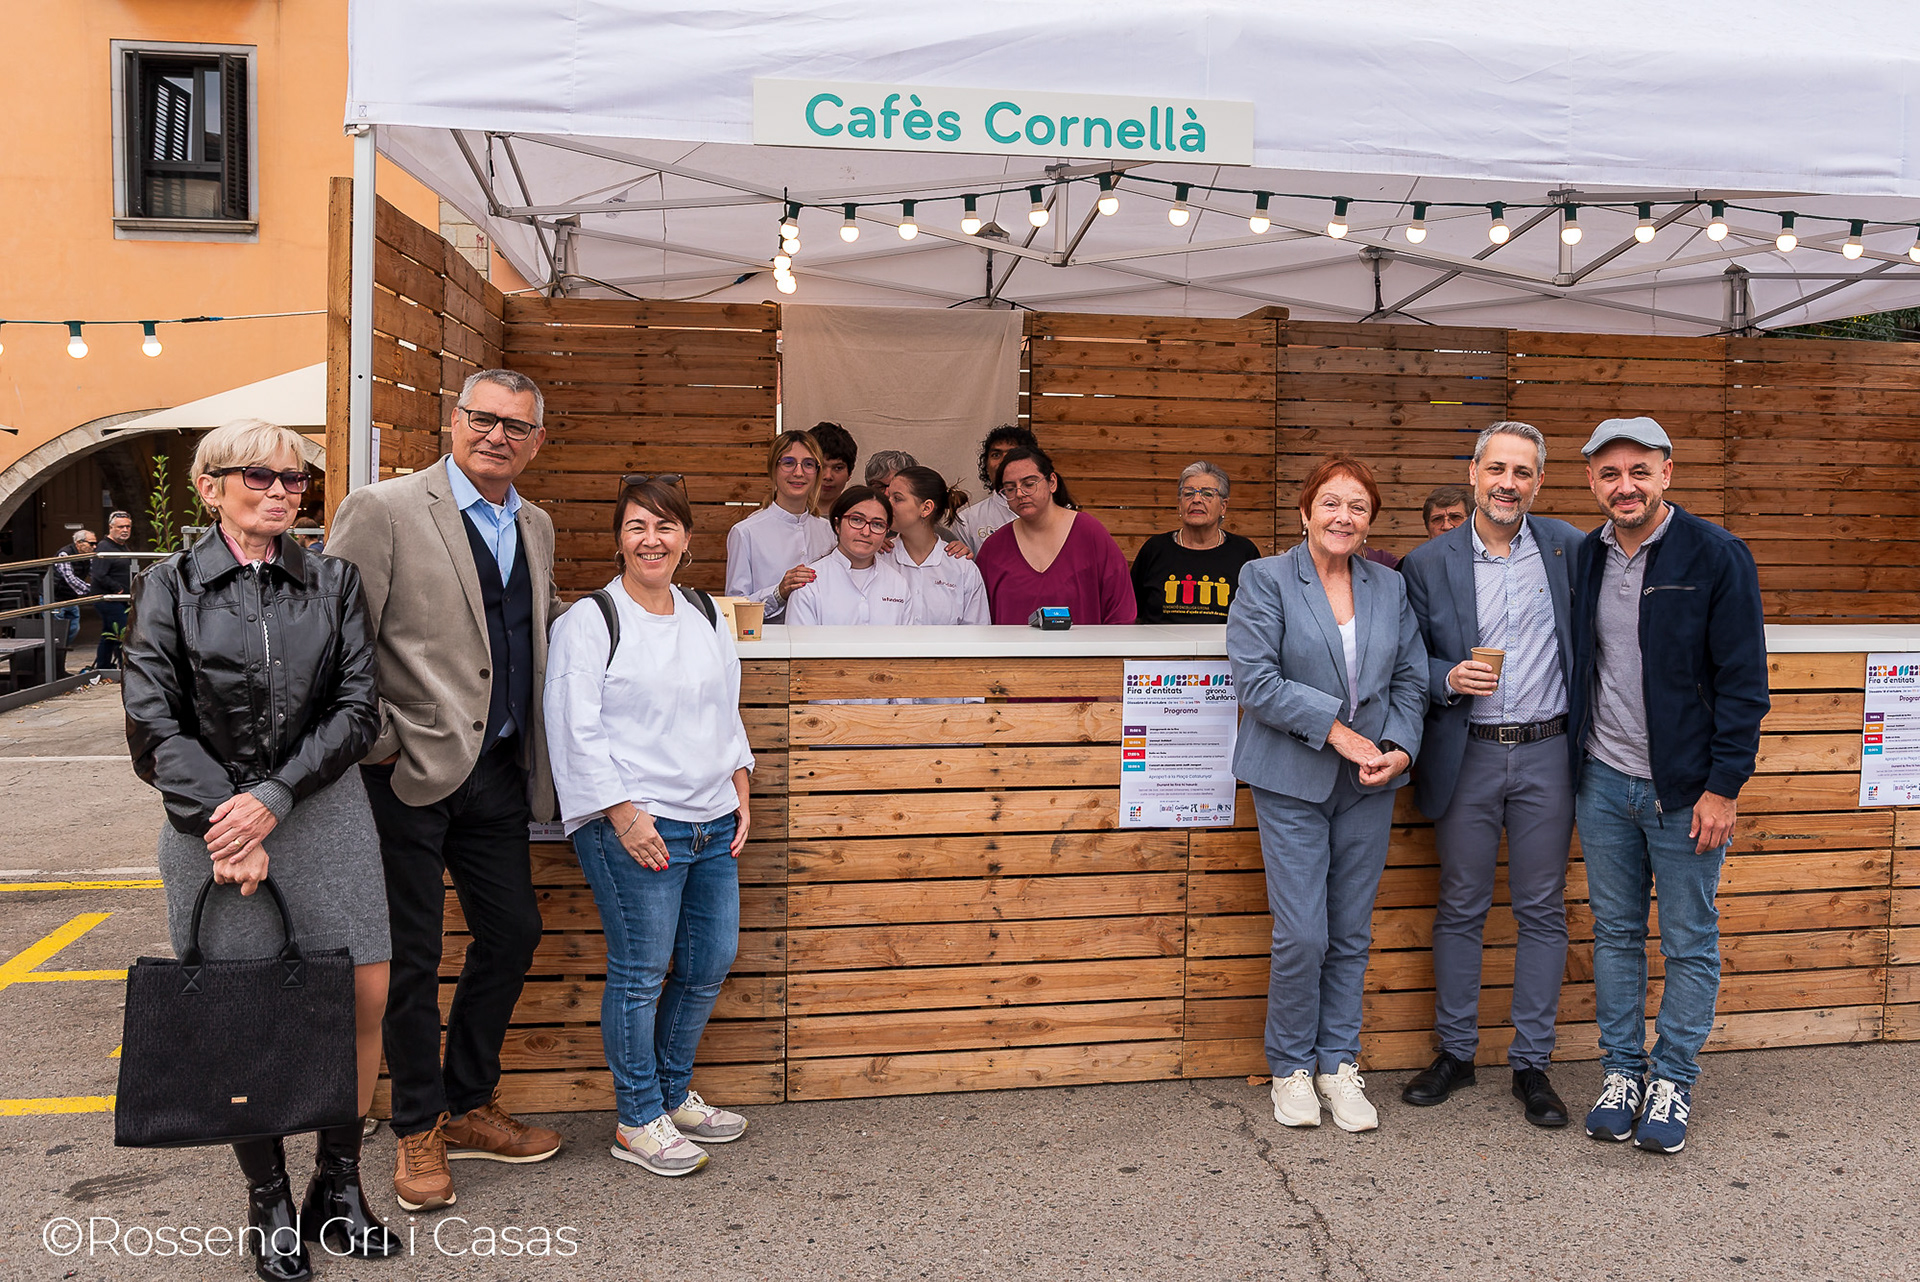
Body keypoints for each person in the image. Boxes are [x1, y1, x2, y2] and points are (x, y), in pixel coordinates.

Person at [122, 418, 398, 1279]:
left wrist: (274, 798)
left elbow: (358, 708)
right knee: (244, 1013)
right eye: (260, 476)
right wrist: (230, 820)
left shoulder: (334, 580)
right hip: (209, 822)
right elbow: (152, 722)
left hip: (321, 807)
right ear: (210, 488)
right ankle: (268, 1198)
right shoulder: (165, 586)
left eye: (294, 478)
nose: (282, 490)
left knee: (361, 996)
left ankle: (339, 1186)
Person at [327, 369, 565, 1214]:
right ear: (454, 421)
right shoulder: (383, 508)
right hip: (405, 774)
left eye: (515, 426)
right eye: (481, 418)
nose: (496, 435)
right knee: (412, 958)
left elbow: (535, 626)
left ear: (536, 442)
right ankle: (417, 1125)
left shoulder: (534, 523)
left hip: (497, 773)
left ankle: (468, 1102)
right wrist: (383, 742)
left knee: (513, 933)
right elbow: (339, 640)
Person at [545, 477, 754, 1178]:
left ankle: (669, 1095)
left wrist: (740, 784)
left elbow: (726, 709)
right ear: (619, 539)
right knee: (639, 974)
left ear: (687, 538)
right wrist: (623, 815)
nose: (651, 540)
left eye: (665, 526)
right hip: (638, 827)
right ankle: (636, 1119)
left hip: (712, 822)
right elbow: (573, 730)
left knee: (708, 963)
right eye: (637, 526)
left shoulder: (705, 612)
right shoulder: (590, 621)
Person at [1570, 417, 1768, 1155]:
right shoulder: (1586, 556)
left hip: (1686, 791)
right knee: (1617, 935)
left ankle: (1673, 1078)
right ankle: (1623, 1072)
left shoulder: (1715, 554)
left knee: (1689, 940)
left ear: (1667, 474)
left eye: (1639, 471)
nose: (1625, 486)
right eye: (1610, 474)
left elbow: (1744, 683)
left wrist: (1724, 787)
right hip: (1602, 781)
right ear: (1592, 482)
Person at [1225, 455, 1426, 1135]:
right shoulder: (1265, 578)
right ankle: (1290, 1065)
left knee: (1350, 931)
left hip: (1371, 781)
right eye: (1332, 503)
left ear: (1371, 521)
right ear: (1305, 512)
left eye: (1358, 507)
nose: (1344, 517)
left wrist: (1399, 747)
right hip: (1292, 777)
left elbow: (1410, 678)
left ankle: (1338, 1062)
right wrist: (1340, 734)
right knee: (1304, 934)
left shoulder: (1388, 586)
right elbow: (1256, 681)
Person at [1399, 422, 1584, 1129]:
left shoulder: (1570, 547)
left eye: (1523, 472)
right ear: (1474, 472)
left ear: (1539, 482)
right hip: (1466, 750)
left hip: (1548, 750)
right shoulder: (1426, 563)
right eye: (1498, 468)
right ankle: (1456, 1052)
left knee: (1542, 909)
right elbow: (1405, 659)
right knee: (1461, 905)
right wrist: (1446, 677)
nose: (1509, 483)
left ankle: (1532, 1063)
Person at [975, 447, 1135, 626]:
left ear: (1052, 482)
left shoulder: (1090, 534)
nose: (1019, 493)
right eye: (1010, 489)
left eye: (1029, 484)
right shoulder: (993, 548)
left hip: (1085, 645)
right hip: (1011, 646)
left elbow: (1121, 611)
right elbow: (976, 616)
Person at [1129, 461, 1262, 623]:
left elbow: (1258, 615)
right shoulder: (1154, 549)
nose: (1196, 499)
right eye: (1188, 493)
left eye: (1207, 494)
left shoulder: (1244, 553)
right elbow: (1132, 611)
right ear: (1180, 504)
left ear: (1223, 506)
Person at [724, 431, 835, 623]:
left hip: (820, 638)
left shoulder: (829, 531)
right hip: (769, 640)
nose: (798, 473)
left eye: (808, 464)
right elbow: (733, 609)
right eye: (788, 463)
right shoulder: (746, 532)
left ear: (817, 472)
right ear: (773, 469)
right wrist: (778, 592)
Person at [784, 486, 915, 626]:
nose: (866, 532)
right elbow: (799, 639)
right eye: (857, 520)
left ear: (886, 531)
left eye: (877, 524)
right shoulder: (810, 582)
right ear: (837, 524)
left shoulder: (897, 584)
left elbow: (906, 639)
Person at [886, 467, 989, 626]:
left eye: (897, 498)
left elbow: (976, 631)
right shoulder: (880, 558)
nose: (887, 504)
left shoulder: (962, 567)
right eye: (887, 497)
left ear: (926, 508)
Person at [954, 425, 1036, 553]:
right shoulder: (967, 520)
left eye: (1013, 453)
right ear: (986, 466)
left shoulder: (1054, 513)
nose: (1003, 461)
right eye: (996, 455)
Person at [91, 509, 135, 671]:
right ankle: (125, 668)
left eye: (128, 527)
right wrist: (117, 588)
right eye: (120, 527)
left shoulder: (122, 546)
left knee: (109, 633)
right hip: (108, 598)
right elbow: (98, 574)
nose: (125, 530)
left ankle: (104, 666)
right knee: (122, 632)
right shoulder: (105, 546)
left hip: (121, 598)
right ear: (111, 527)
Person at [53, 530, 95, 649]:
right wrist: (91, 590)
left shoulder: (88, 556)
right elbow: (70, 579)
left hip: (71, 597)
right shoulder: (65, 554)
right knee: (57, 632)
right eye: (91, 543)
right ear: (79, 543)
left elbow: (94, 573)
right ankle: (56, 656)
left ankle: (61, 651)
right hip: (55, 597)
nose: (94, 547)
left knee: (73, 628)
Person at [810, 421, 858, 511]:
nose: (828, 476)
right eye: (820, 466)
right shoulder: (785, 515)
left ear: (849, 473)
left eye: (838, 468)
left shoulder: (858, 515)